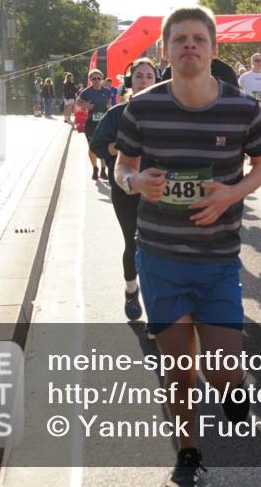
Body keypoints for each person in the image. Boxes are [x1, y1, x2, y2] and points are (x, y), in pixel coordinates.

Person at [113, 6, 261, 486]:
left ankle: (232, 388)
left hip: (217, 259)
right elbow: (122, 168)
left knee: (222, 371)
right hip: (160, 258)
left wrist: (231, 194)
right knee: (179, 369)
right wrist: (136, 182)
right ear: (164, 50)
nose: (189, 46)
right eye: (179, 39)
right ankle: (187, 451)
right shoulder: (142, 107)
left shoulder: (243, 109)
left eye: (198, 39)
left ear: (213, 48)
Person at [91, 58, 158, 323]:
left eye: (149, 76)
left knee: (158, 246)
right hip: (125, 188)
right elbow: (98, 145)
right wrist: (121, 149)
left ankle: (156, 306)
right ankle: (131, 291)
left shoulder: (166, 113)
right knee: (133, 242)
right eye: (139, 76)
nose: (144, 81)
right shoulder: (117, 114)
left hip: (158, 189)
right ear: (130, 82)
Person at [77, 69, 112, 180]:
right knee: (92, 147)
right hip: (91, 122)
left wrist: (109, 107)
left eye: (99, 78)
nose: (97, 80)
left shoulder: (106, 91)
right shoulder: (86, 92)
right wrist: (86, 106)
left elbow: (109, 102)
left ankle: (103, 170)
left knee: (104, 146)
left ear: (102, 79)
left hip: (104, 122)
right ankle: (95, 168)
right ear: (90, 80)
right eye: (94, 78)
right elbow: (78, 102)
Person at [237, 53, 261, 120]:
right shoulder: (244, 76)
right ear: (252, 62)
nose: (259, 62)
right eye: (257, 60)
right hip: (248, 109)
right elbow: (237, 90)